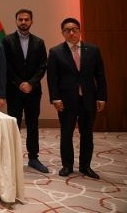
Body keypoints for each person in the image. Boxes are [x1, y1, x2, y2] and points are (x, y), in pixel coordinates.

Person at [47, 17, 107, 179]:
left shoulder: (93, 50)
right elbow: (52, 78)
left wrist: (101, 97)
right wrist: (55, 98)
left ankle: (85, 166)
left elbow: (100, 75)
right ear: (63, 33)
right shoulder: (56, 52)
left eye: (75, 29)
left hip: (89, 99)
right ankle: (67, 165)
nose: (72, 33)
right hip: (66, 100)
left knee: (87, 134)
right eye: (67, 30)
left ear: (80, 31)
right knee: (66, 133)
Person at [2, 9, 49, 173]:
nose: (23, 22)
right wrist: (20, 83)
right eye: (20, 19)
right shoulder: (7, 41)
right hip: (14, 90)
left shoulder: (39, 42)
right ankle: (12, 158)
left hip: (33, 91)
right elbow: (6, 65)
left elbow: (43, 65)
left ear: (31, 21)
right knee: (14, 125)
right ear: (16, 21)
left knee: (33, 124)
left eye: (26, 19)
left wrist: (31, 83)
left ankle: (33, 158)